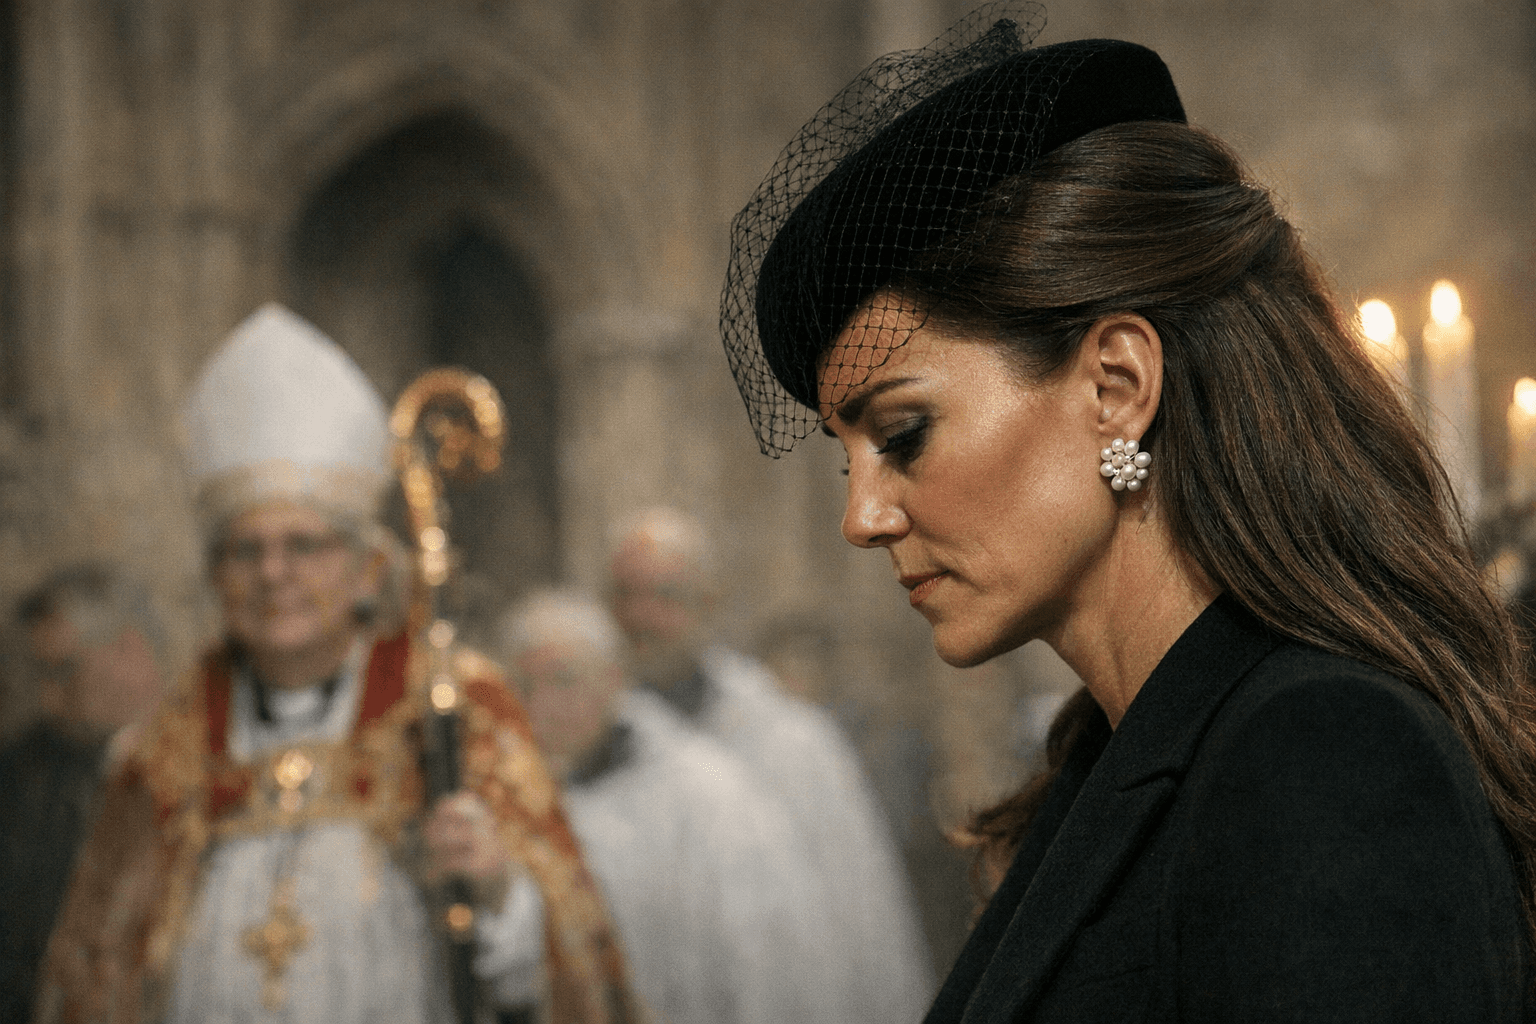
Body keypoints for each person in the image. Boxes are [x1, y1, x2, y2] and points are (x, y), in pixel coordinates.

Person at [718, 6, 1535, 1021]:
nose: (863, 516)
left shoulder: (1322, 753)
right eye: (844, 463)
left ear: (1115, 383)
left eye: (903, 434)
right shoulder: (1109, 753)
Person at [37, 304, 638, 1024]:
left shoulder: (457, 711)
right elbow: (93, 977)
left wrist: (501, 891)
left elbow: (571, 959)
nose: (273, 574)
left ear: (367, 570)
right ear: (216, 576)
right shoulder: (162, 755)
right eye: (245, 551)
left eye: (305, 546)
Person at [607, 507, 935, 1022]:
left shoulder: (793, 743)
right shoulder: (594, 751)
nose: (641, 618)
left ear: (707, 602)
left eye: (664, 595)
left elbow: (863, 918)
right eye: (627, 596)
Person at [498, 588, 851, 1024]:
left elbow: (763, 969)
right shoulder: (506, 796)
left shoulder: (708, 797)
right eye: (523, 686)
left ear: (613, 679)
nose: (539, 708)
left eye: (563, 680)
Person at [0, 563, 164, 1024]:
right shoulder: (19, 775)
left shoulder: (204, 756)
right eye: (41, 675)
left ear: (128, 653)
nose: (49, 699)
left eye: (64, 672)